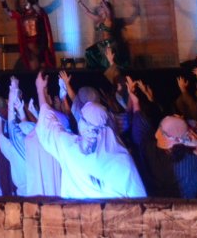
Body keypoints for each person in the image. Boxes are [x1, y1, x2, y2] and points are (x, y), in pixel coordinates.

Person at [33, 71, 144, 199]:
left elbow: (48, 125)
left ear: (83, 122)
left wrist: (40, 90)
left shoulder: (70, 148)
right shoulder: (124, 160)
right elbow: (141, 203)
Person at [1, 0, 55, 71]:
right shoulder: (22, 13)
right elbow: (9, 13)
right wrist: (3, 2)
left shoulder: (38, 12)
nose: (23, 0)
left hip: (39, 44)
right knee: (29, 65)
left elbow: (43, 29)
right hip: (28, 46)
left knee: (42, 66)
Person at [74, 0, 129, 69]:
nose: (100, 7)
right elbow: (87, 12)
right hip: (100, 45)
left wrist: (103, 0)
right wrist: (79, 1)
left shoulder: (108, 19)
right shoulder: (98, 19)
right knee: (89, 52)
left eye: (101, 6)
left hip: (108, 44)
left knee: (106, 62)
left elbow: (108, 12)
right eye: (100, 6)